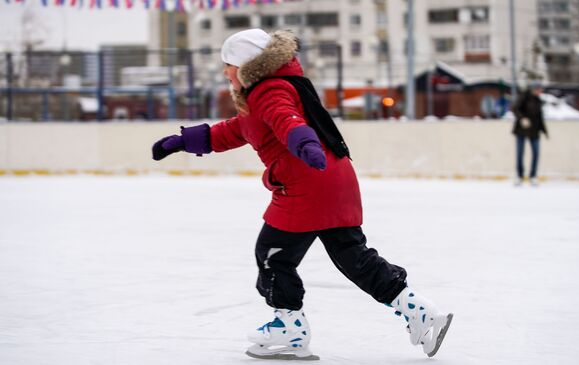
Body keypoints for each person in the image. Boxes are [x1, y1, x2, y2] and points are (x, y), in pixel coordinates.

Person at [151, 29, 453, 360]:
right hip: (334, 181)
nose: (225, 72)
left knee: (273, 254)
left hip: (306, 187)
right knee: (353, 258)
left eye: (228, 65)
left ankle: (290, 328)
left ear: (247, 65)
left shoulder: (269, 91)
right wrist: (183, 141)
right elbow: (236, 130)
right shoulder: (264, 95)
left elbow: (286, 119)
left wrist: (303, 143)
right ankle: (421, 312)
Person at [511, 81, 548, 186]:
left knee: (536, 153)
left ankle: (533, 176)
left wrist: (544, 130)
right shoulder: (524, 97)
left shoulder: (538, 100)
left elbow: (540, 118)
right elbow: (515, 108)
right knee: (520, 154)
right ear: (533, 89)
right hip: (521, 130)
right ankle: (519, 176)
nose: (540, 91)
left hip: (534, 131)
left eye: (541, 90)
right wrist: (522, 118)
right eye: (538, 89)